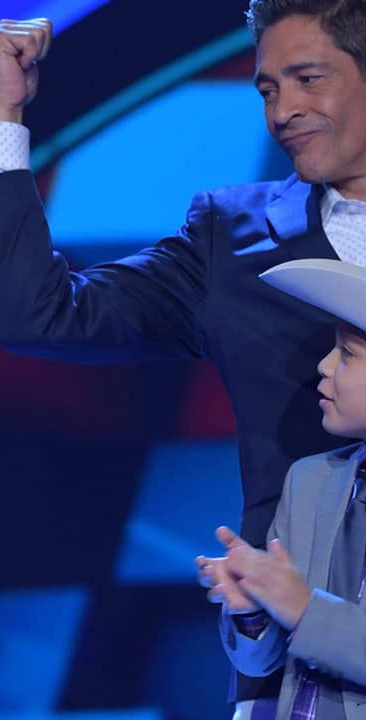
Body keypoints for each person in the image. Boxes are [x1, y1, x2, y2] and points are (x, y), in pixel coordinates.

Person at [0, 2, 366, 715]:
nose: (283, 110)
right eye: (268, 88)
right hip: (289, 674)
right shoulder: (233, 239)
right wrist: (3, 118)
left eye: (307, 79)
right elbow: (39, 313)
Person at [198, 257, 366, 718]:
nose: (323, 366)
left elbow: (307, 617)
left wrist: (305, 609)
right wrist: (252, 609)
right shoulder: (311, 481)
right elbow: (266, 661)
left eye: (347, 354)